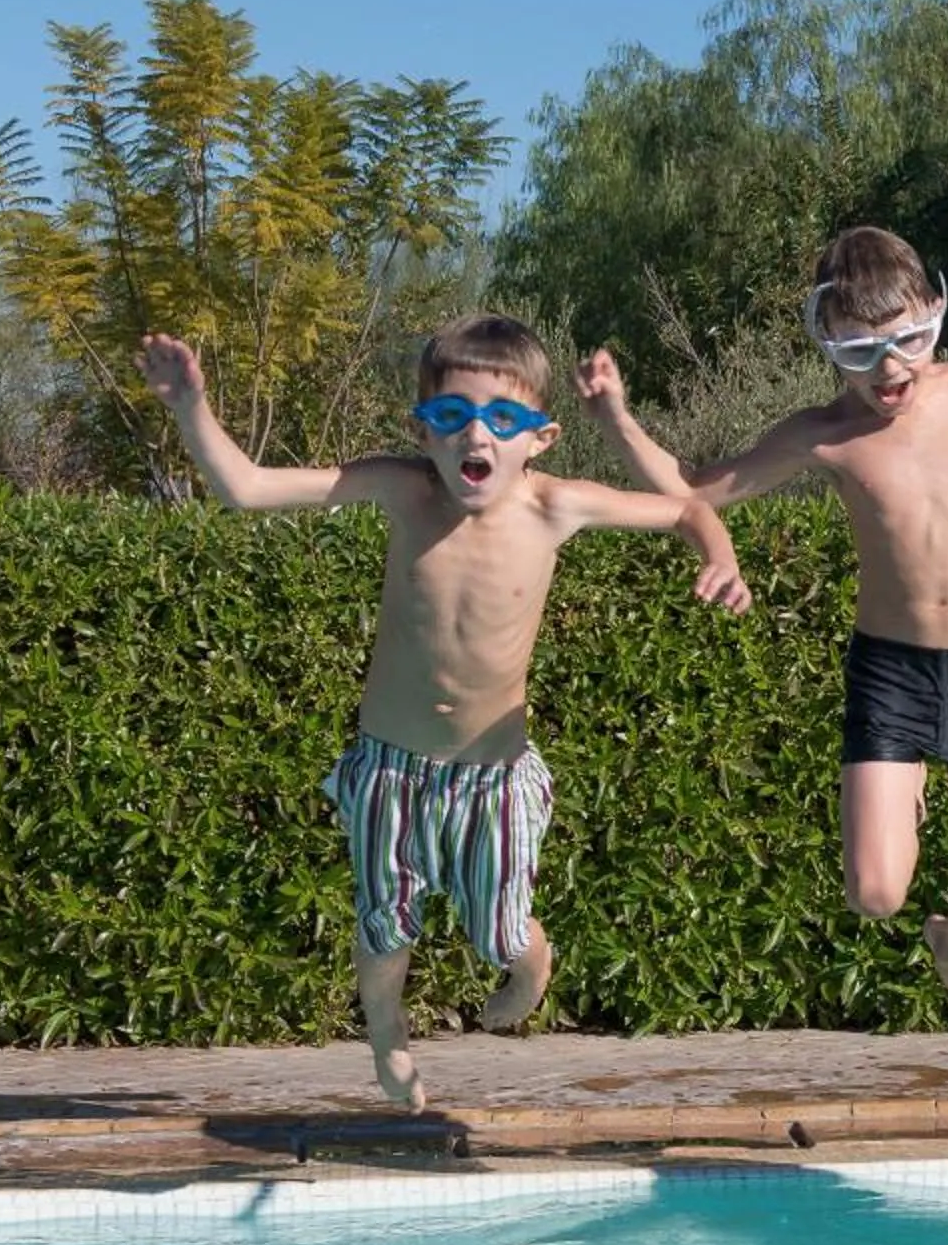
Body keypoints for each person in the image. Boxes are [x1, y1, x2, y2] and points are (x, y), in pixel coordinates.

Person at [137, 315, 751, 1111]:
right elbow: (247, 488)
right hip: (391, 768)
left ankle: (528, 971)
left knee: (502, 934)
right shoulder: (404, 490)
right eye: (452, 415)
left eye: (503, 418)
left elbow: (688, 510)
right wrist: (190, 407)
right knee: (385, 925)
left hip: (493, 778)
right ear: (421, 431)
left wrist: (720, 557)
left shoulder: (555, 507)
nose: (477, 435)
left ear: (541, 437)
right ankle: (386, 1032)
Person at [576, 228, 948, 1037]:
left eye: (908, 340)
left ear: (935, 313)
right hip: (893, 673)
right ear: (827, 344)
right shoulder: (825, 433)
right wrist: (617, 419)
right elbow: (692, 490)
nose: (889, 367)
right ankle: (906, 782)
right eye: (859, 351)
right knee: (874, 894)